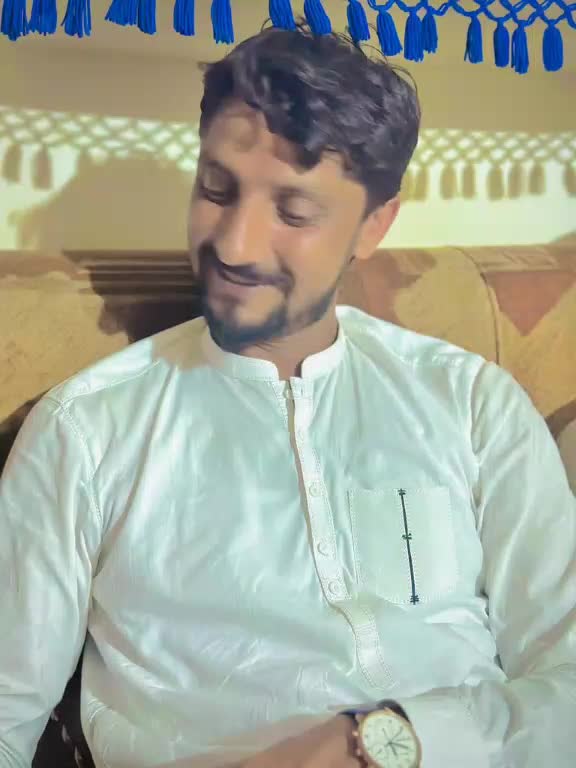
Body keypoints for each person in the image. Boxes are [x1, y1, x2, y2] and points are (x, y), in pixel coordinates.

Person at [1, 22, 575, 768]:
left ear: (374, 225)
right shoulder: (87, 429)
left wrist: (375, 744)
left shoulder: (472, 405)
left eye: (295, 212)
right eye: (216, 188)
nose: (234, 244)